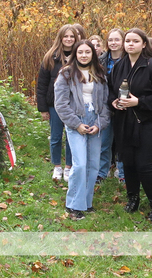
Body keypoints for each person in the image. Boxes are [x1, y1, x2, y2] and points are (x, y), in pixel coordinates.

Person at [108, 28, 152, 222]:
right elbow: (110, 90)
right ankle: (132, 199)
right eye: (128, 41)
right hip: (124, 121)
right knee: (128, 163)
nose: (130, 44)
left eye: (135, 41)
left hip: (149, 121)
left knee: (144, 165)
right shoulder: (119, 65)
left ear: (144, 44)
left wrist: (139, 102)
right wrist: (114, 102)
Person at [53, 40, 110, 220]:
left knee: (93, 164)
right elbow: (60, 104)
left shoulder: (100, 74)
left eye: (87, 52)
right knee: (80, 164)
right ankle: (73, 205)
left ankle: (87, 202)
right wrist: (76, 124)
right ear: (75, 54)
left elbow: (106, 103)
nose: (84, 55)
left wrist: (99, 124)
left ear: (93, 54)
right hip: (76, 121)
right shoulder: (66, 74)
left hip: (95, 120)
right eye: (80, 52)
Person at [36, 24, 79, 182]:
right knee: (55, 136)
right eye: (66, 36)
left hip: (74, 104)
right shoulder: (50, 57)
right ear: (60, 38)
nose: (69, 39)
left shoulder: (79, 56)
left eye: (72, 37)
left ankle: (68, 166)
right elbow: (42, 84)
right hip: (54, 104)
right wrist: (43, 108)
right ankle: (57, 166)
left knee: (71, 136)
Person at [98, 28, 125, 183]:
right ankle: (102, 171)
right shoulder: (101, 60)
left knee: (122, 142)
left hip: (123, 105)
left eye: (117, 40)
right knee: (104, 142)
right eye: (110, 40)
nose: (113, 43)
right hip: (105, 106)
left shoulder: (128, 59)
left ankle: (122, 173)